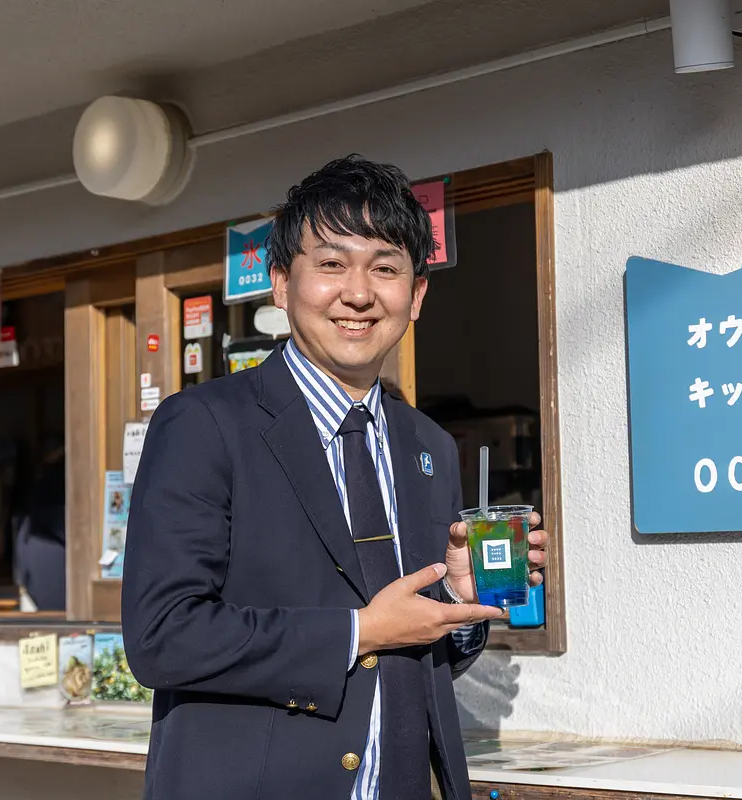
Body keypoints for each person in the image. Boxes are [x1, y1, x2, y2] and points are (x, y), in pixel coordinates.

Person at [122, 154, 548, 800]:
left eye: (385, 267)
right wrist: (359, 632)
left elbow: (412, 659)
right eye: (330, 264)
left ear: (417, 294)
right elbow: (163, 636)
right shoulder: (204, 426)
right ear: (280, 282)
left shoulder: (425, 446)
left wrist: (457, 609)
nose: (358, 292)